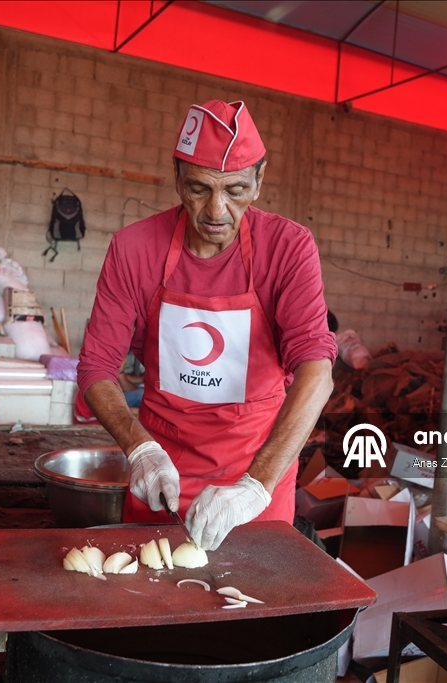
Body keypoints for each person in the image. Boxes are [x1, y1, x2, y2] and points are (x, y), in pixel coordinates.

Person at [78, 100, 336, 550]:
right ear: (177, 178)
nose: (216, 210)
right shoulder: (134, 248)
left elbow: (316, 370)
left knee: (250, 603)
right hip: (161, 474)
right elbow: (97, 367)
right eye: (199, 189)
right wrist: (139, 449)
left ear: (260, 181)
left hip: (256, 473)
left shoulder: (288, 248)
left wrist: (256, 487)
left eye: (235, 190)